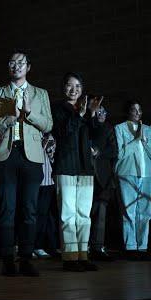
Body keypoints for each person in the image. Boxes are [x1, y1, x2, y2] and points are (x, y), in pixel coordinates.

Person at [0, 50, 52, 277]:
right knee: (6, 208)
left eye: (20, 63)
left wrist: (30, 115)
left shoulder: (40, 94)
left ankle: (26, 258)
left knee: (29, 209)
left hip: (31, 157)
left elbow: (48, 124)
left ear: (28, 67)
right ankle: (7, 260)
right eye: (12, 63)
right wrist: (10, 118)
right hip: (5, 156)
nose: (16, 66)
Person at [51, 73, 103, 272]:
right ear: (63, 88)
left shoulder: (85, 108)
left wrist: (93, 115)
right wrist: (79, 115)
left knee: (84, 214)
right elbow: (63, 133)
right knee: (67, 214)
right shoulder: (57, 108)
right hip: (65, 165)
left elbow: (96, 134)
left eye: (78, 86)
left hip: (85, 167)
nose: (74, 89)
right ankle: (70, 257)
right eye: (70, 85)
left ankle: (83, 254)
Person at [114, 101, 151, 260]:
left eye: (139, 110)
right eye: (133, 109)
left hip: (147, 174)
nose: (137, 112)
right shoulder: (120, 128)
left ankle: (142, 247)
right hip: (127, 173)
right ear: (128, 111)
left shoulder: (148, 130)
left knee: (145, 213)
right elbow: (120, 154)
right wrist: (136, 140)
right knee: (129, 211)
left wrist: (144, 141)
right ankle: (130, 247)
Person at [89, 104, 118, 261]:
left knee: (100, 213)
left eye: (103, 112)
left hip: (103, 178)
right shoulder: (86, 125)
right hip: (85, 175)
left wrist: (99, 152)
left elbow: (114, 151)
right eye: (97, 111)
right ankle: (81, 246)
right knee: (85, 213)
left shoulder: (108, 129)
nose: (100, 114)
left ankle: (97, 247)